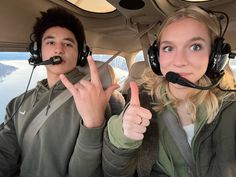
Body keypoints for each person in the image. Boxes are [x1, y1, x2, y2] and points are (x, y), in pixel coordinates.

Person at [103, 5, 236, 177]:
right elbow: (114, 173)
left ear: (215, 57)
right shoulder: (142, 102)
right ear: (156, 58)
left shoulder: (231, 108)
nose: (179, 61)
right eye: (168, 48)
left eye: (195, 47)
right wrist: (122, 138)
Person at [0, 7, 118, 177]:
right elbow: (5, 153)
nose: (58, 49)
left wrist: (93, 125)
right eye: (50, 42)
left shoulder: (93, 98)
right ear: (38, 51)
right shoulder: (17, 103)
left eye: (68, 43)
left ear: (81, 54)